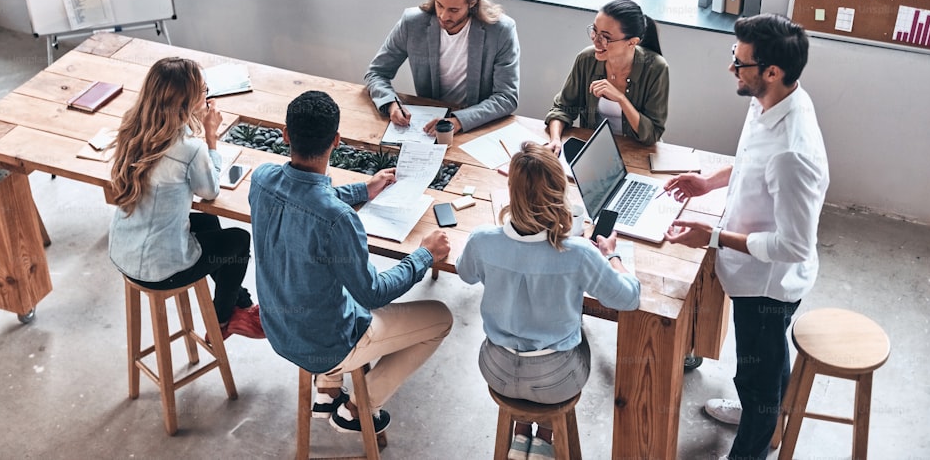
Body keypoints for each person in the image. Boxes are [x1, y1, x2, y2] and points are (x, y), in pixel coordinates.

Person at [662, 14, 829, 460]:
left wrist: (713, 236)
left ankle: (753, 443)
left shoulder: (792, 153)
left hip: (767, 286)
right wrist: (706, 182)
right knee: (766, 361)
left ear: (771, 71)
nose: (731, 69)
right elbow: (750, 163)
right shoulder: (772, 100)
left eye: (739, 63)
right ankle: (764, 415)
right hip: (751, 271)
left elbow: (794, 246)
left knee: (757, 377)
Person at [249, 90, 453, 435]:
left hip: (279, 330)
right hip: (328, 345)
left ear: (285, 134)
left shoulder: (261, 179)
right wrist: (424, 255)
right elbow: (373, 293)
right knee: (441, 318)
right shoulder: (338, 220)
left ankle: (328, 388)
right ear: (337, 141)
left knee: (325, 282)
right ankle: (360, 407)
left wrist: (363, 190)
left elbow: (305, 193)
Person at [457, 142, 640, 460]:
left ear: (511, 189)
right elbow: (629, 298)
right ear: (560, 192)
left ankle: (521, 432)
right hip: (555, 380)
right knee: (578, 333)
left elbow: (465, 274)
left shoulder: (482, 240)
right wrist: (613, 256)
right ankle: (543, 435)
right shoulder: (578, 253)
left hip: (495, 368)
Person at [108, 57, 263, 341]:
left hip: (123, 252)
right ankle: (223, 319)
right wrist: (212, 138)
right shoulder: (190, 148)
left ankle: (240, 304)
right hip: (160, 270)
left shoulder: (132, 126)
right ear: (186, 100)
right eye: (204, 91)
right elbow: (210, 191)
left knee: (209, 222)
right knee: (240, 240)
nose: (208, 96)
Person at [364, 0, 520, 135]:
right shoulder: (412, 23)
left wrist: (458, 121)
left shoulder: (500, 31)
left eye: (454, 10)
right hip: (425, 125)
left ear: (473, 3)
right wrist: (391, 104)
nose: (444, 16)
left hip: (474, 126)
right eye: (439, 5)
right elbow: (376, 73)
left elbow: (506, 97)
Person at [545, 0, 668, 150]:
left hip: (638, 152)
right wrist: (555, 139)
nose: (596, 41)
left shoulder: (655, 69)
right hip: (594, 151)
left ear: (632, 42)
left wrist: (621, 99)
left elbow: (652, 134)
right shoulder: (586, 59)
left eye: (606, 37)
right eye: (595, 31)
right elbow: (562, 108)